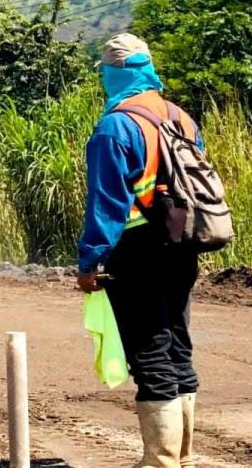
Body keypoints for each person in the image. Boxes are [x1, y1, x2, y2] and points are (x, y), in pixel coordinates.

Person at [77, 33, 202, 468]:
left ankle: (160, 462)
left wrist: (90, 261)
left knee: (150, 355)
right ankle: (182, 459)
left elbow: (107, 203)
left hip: (136, 251)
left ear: (113, 73)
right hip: (183, 244)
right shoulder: (178, 117)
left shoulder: (115, 126)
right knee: (177, 346)